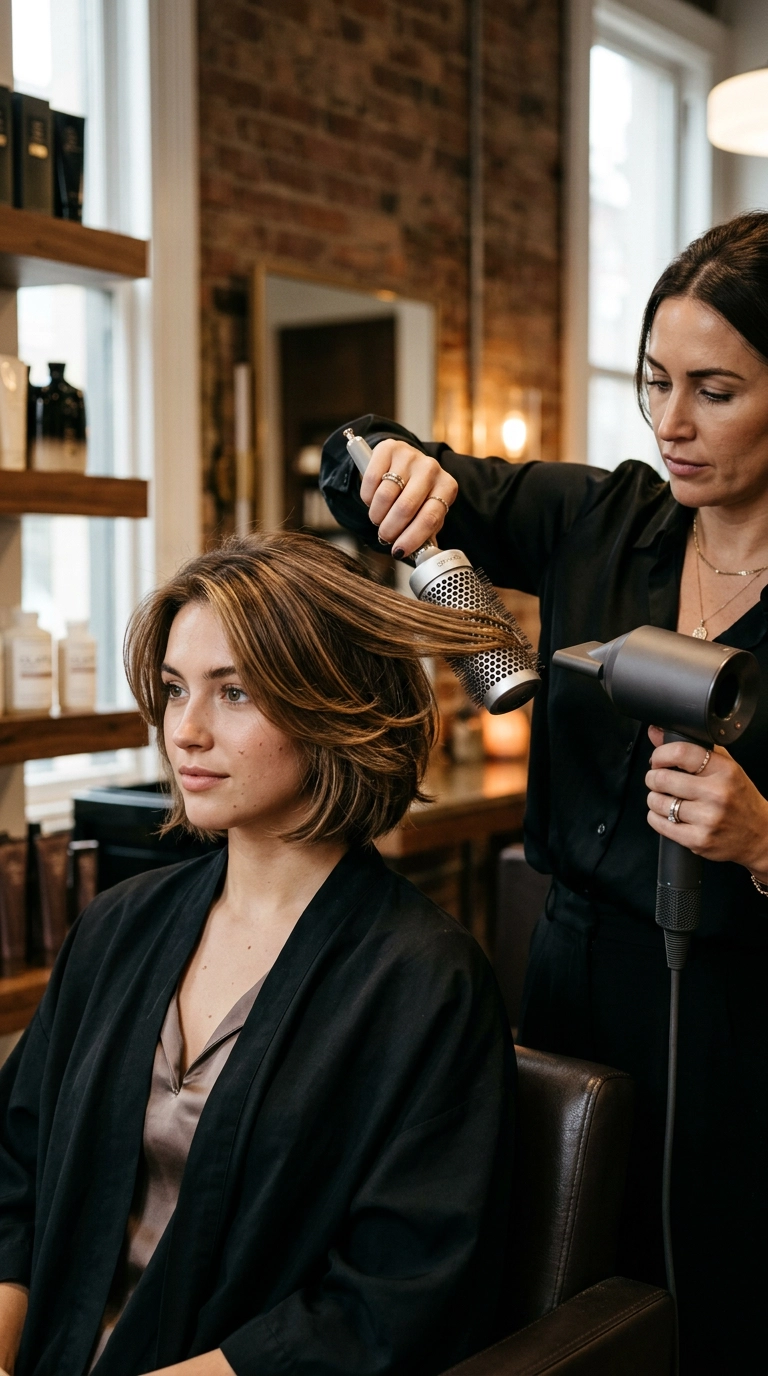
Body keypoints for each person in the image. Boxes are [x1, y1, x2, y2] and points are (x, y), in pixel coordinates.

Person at [320, 211, 768, 1375]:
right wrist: (386, 455)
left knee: (719, 1306)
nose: (672, 423)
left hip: (744, 1025)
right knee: (560, 1306)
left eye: (714, 390)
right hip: (568, 986)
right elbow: (353, 459)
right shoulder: (597, 518)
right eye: (655, 381)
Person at [0, 533, 517, 1376]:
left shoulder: (424, 985)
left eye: (234, 692)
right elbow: (12, 1171)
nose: (187, 732)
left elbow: (389, 1307)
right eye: (175, 691)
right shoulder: (119, 927)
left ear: (333, 704)